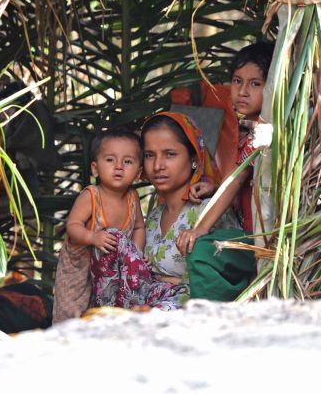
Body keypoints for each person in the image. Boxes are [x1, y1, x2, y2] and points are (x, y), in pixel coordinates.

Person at [177, 41, 275, 254]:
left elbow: (237, 179)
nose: (243, 91)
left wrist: (200, 228)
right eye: (237, 81)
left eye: (255, 84)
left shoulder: (264, 132)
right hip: (251, 233)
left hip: (261, 239)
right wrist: (214, 187)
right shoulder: (250, 130)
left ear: (272, 87)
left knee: (202, 250)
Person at [141, 112, 241, 304]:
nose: (157, 165)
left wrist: (178, 282)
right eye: (149, 155)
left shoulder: (209, 212)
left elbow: (231, 276)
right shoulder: (153, 218)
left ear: (194, 158)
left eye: (170, 154)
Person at [52, 129, 147, 322]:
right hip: (79, 270)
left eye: (127, 161)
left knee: (104, 313)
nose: (119, 166)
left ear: (138, 173)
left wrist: (136, 254)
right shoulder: (91, 196)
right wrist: (92, 237)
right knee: (72, 314)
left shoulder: (132, 197)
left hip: (110, 272)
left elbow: (138, 227)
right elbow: (73, 225)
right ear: (95, 169)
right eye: (110, 160)